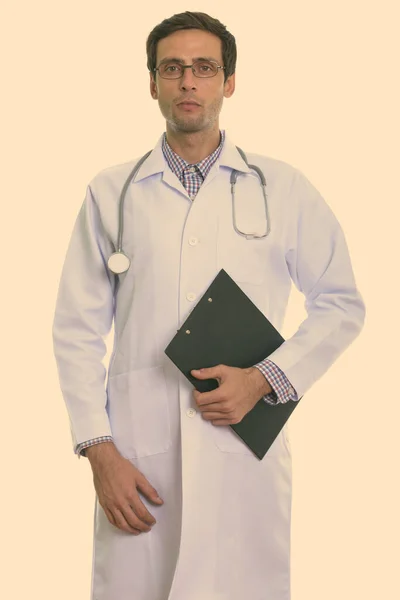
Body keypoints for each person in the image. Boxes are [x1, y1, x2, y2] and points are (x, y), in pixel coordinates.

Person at [52, 10, 365, 600]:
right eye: (173, 68)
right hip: (139, 459)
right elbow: (75, 330)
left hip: (241, 452)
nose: (188, 82)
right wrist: (100, 452)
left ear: (229, 81)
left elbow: (342, 303)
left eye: (203, 68)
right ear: (152, 83)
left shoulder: (283, 186)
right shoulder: (110, 193)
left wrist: (266, 378)